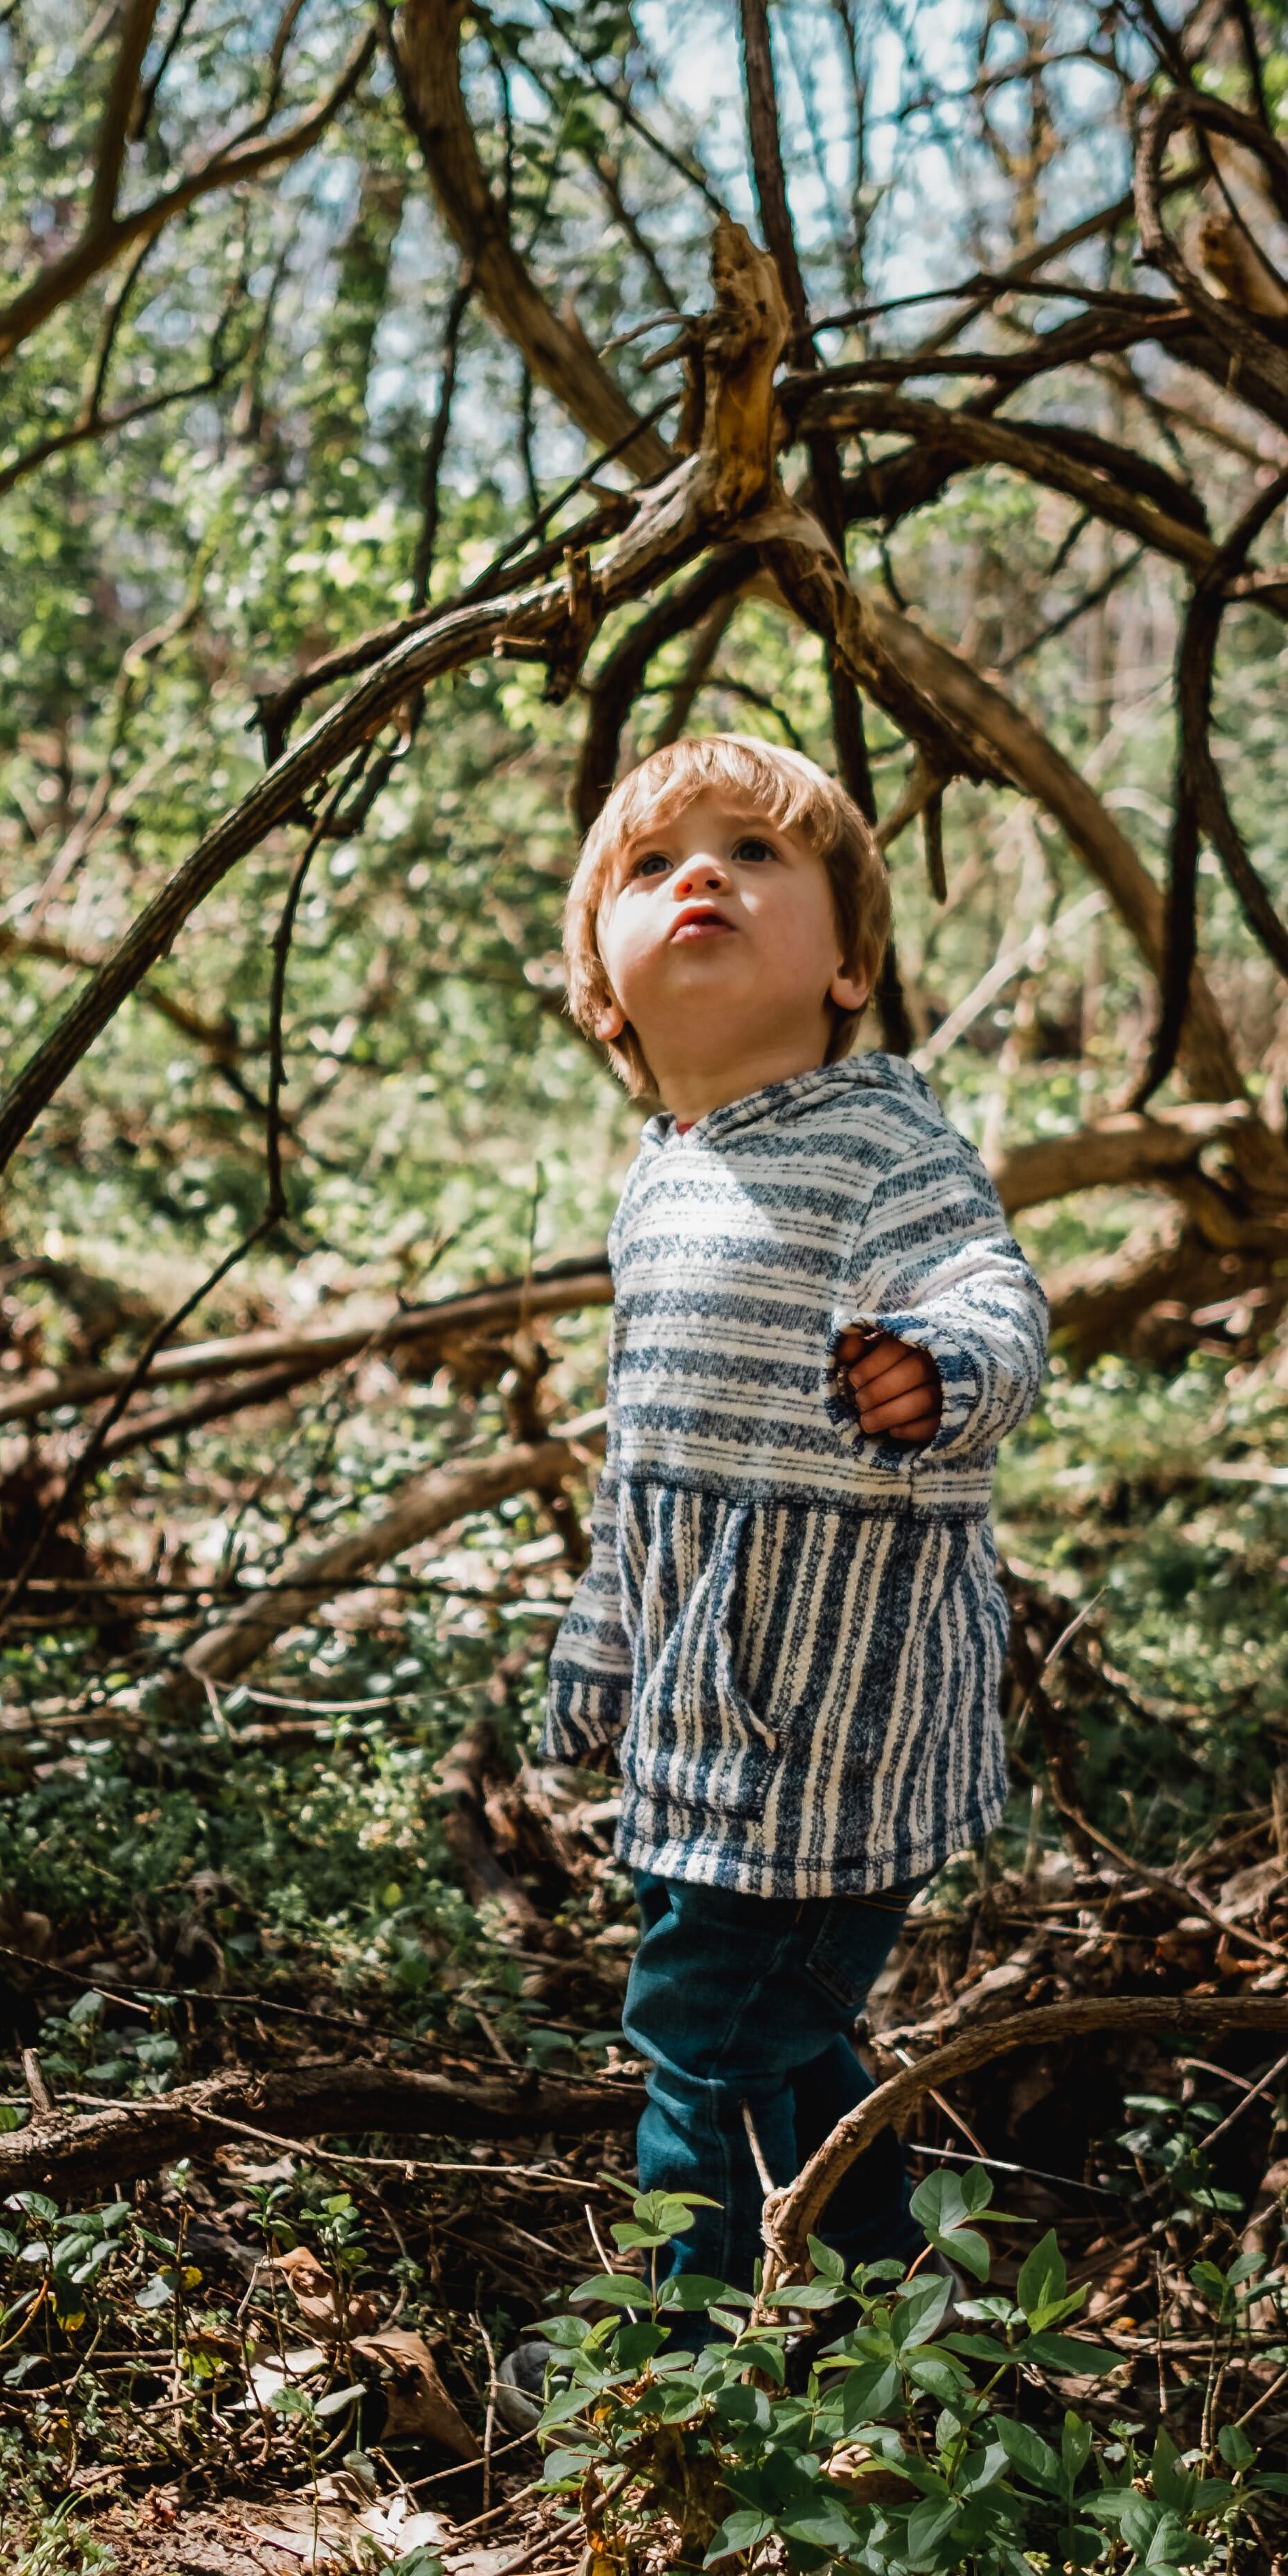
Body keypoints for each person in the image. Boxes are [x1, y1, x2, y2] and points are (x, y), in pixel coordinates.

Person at [522, 732, 1048, 2356]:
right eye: (655, 860)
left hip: (842, 1724)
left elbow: (993, 1294)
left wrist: (940, 1368)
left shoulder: (874, 1140)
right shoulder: (657, 1185)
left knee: (700, 2023)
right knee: (784, 2034)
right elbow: (644, 1480)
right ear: (601, 990)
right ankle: (901, 2323)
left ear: (849, 966)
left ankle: (674, 2370)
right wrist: (597, 1658)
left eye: (754, 851)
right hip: (712, 1721)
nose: (703, 874)